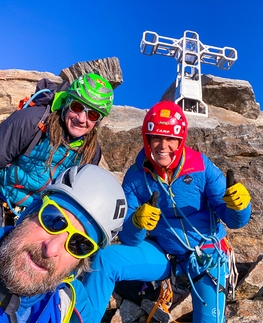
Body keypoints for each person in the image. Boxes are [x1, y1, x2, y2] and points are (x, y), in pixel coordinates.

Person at [83, 101, 252, 323]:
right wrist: (136, 222)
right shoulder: (136, 176)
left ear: (181, 140)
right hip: (162, 253)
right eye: (156, 138)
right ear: (147, 139)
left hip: (207, 255)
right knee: (105, 259)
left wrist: (241, 206)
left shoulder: (201, 166)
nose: (163, 146)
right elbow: (127, 237)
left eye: (171, 139)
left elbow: (234, 220)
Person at [0, 164, 127, 323]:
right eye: (54, 220)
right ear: (30, 211)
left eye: (79, 244)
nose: (51, 249)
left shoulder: (72, 303)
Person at [0, 73, 114, 231]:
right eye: (77, 107)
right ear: (66, 102)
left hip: (39, 211)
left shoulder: (91, 151)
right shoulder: (32, 122)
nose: (82, 119)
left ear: (98, 121)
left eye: (92, 114)